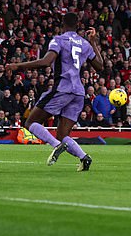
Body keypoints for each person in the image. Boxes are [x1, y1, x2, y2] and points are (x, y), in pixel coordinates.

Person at [5, 12, 103, 171]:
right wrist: (93, 42)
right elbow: (100, 66)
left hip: (62, 87)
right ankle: (84, 158)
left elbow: (46, 62)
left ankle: (57, 146)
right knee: (62, 133)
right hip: (78, 92)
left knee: (30, 122)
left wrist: (19, 66)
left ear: (62, 25)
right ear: (77, 25)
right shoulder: (84, 43)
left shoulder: (59, 40)